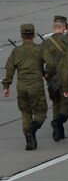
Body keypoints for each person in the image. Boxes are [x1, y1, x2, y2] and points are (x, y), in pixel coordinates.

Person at [4, 23, 48, 151]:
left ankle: (29, 140)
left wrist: (6, 86)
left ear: (22, 35)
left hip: (22, 87)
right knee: (41, 112)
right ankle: (32, 130)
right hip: (36, 86)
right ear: (33, 35)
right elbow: (50, 62)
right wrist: (47, 73)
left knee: (25, 113)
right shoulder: (40, 49)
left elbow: (9, 69)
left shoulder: (16, 51)